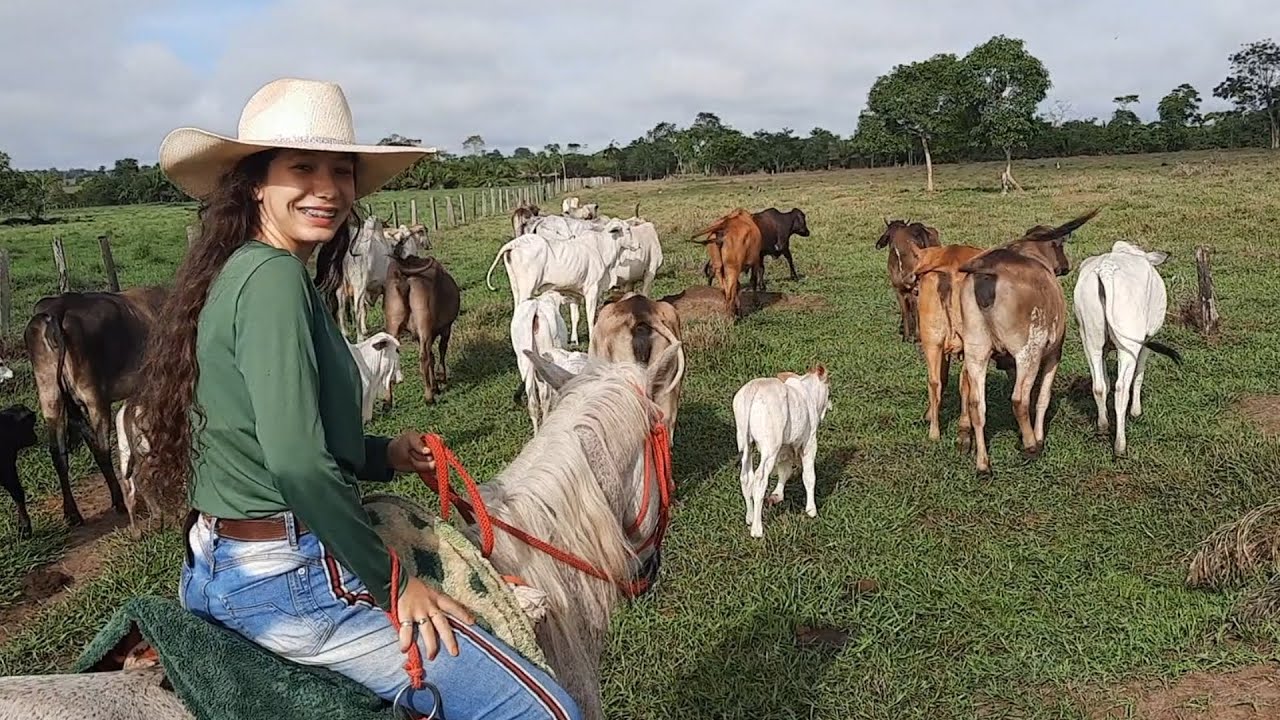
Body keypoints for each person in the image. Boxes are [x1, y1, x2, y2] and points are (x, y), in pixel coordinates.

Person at [133, 76, 582, 720]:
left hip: (222, 561)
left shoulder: (244, 269)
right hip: (288, 578)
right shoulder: (274, 279)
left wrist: (384, 454)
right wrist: (395, 585)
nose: (327, 188)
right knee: (548, 710)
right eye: (302, 168)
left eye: (340, 171)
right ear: (256, 182)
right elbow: (296, 463)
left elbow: (266, 434)